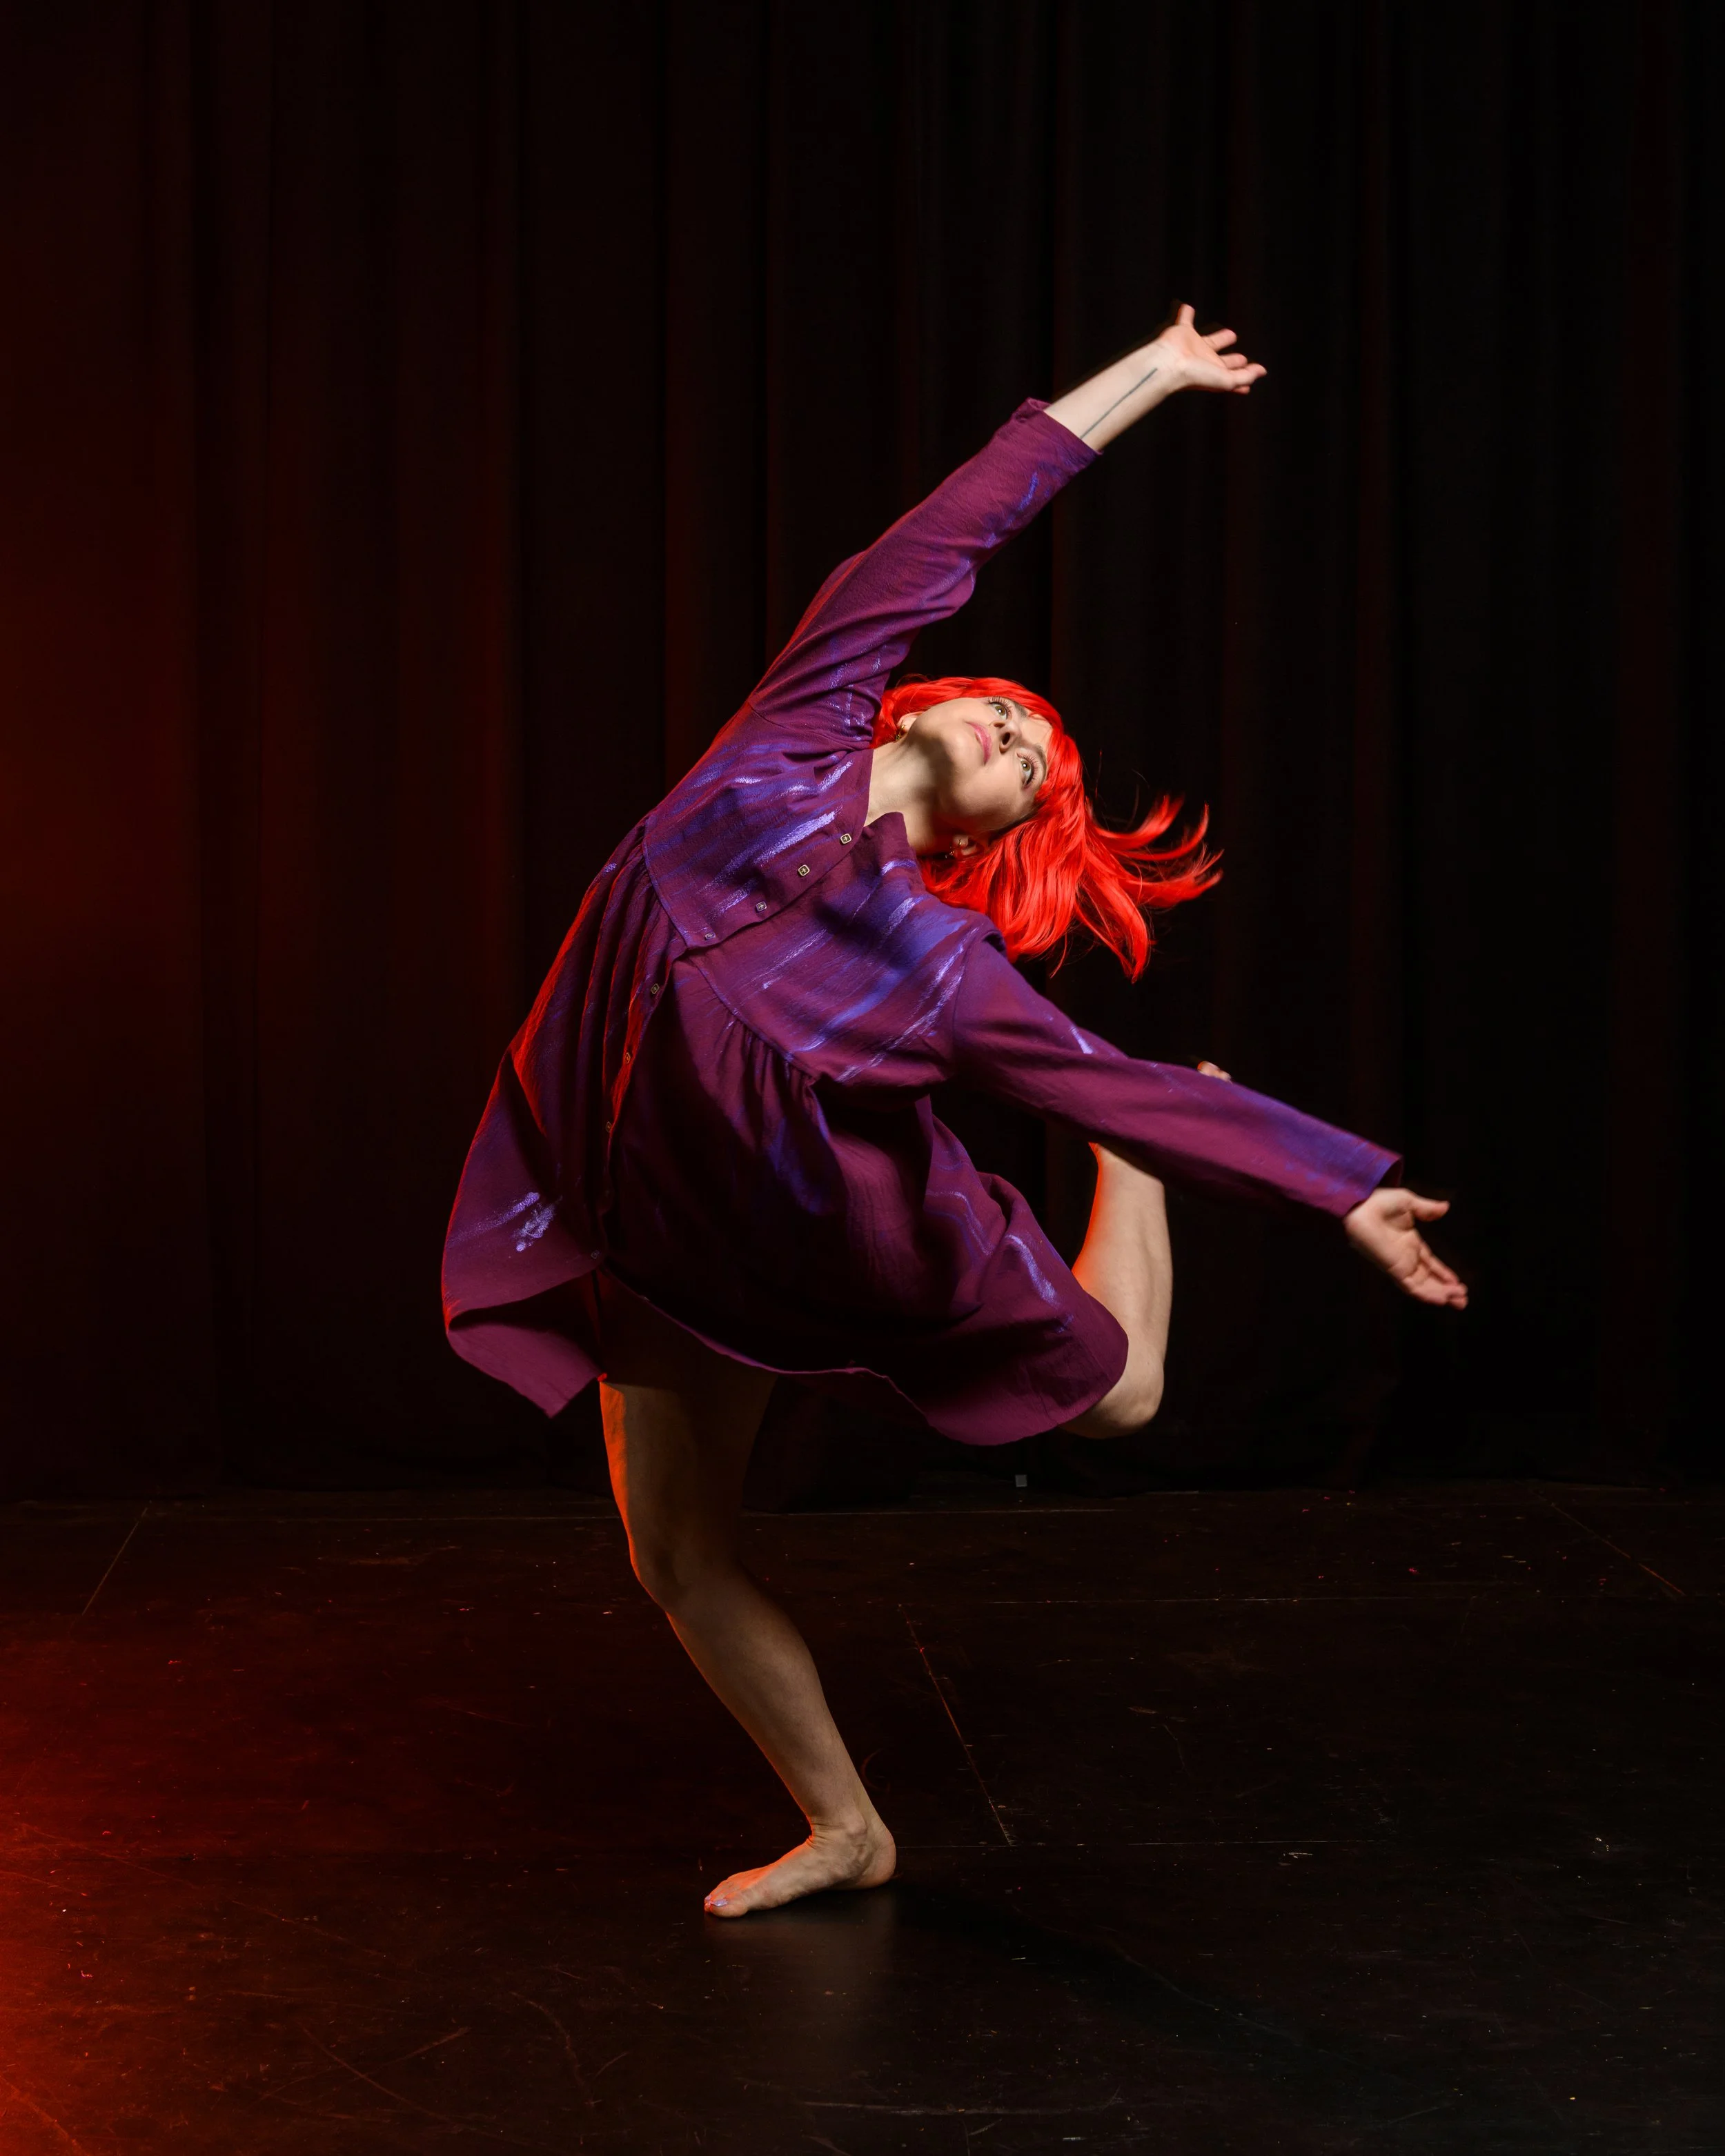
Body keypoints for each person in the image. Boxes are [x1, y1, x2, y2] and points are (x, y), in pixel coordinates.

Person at [442, 305, 1467, 1919]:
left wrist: (1336, 1190)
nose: (1022, 735)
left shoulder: (937, 961)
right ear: (930, 701)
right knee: (673, 1558)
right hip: (657, 1225)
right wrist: (1153, 369)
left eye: (1041, 765)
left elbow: (1092, 1069)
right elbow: (958, 520)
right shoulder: (783, 736)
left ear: (997, 829)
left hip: (821, 1226)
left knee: (1118, 1409)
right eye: (1012, 714)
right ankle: (848, 1827)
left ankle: (1118, 1188)